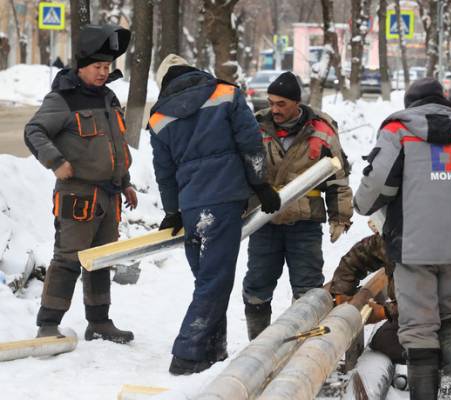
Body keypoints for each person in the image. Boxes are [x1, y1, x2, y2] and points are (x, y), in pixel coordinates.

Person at [354, 78, 451, 400]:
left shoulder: (398, 131)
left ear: (411, 104)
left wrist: (363, 205)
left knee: (418, 324)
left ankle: (424, 395)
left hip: (413, 244)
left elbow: (378, 183)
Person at [149, 54, 280, 375]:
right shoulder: (225, 93)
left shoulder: (158, 117)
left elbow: (163, 171)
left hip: (192, 204)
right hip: (224, 199)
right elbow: (250, 143)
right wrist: (260, 184)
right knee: (214, 280)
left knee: (208, 279)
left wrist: (172, 210)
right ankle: (187, 352)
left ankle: (213, 349)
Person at [25, 24, 136, 343]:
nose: (103, 72)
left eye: (107, 67)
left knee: (101, 260)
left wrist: (125, 181)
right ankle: (48, 324)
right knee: (69, 259)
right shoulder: (62, 99)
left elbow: (116, 145)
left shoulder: (108, 97)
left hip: (109, 195)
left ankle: (99, 321)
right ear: (82, 66)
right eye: (97, 67)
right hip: (78, 194)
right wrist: (55, 162)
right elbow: (33, 132)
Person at [242, 71, 353, 340]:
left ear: (297, 103)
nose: (275, 109)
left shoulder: (322, 131)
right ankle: (257, 346)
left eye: (281, 104)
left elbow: (337, 177)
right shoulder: (256, 126)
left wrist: (341, 216)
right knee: (257, 286)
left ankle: (301, 347)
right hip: (264, 220)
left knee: (307, 290)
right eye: (271, 102)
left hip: (305, 223)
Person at [329, 217, 451, 366]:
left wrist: (386, 312)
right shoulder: (389, 240)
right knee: (383, 341)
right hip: (410, 318)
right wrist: (341, 293)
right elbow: (354, 260)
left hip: (448, 315)